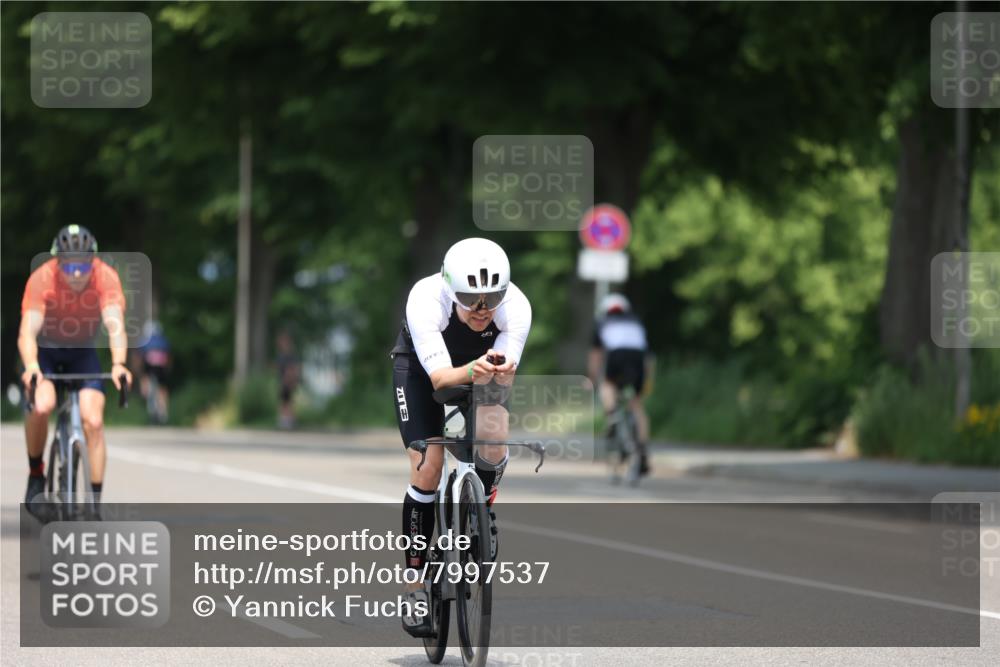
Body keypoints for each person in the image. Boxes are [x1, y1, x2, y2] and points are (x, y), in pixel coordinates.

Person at [390, 237, 531, 637]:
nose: (483, 309)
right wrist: (476, 370)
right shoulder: (425, 298)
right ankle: (415, 586)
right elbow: (439, 379)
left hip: (479, 373)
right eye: (471, 298)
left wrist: (499, 373)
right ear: (451, 290)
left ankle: (481, 513)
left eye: (493, 297)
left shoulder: (517, 306)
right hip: (420, 373)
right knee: (428, 467)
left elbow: (504, 375)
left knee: (494, 437)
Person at [18, 225, 132, 518]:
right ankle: (35, 475)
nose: (77, 273)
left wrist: (119, 363)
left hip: (82, 353)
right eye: (69, 265)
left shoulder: (105, 277)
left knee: (93, 419)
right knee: (42, 405)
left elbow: (115, 325)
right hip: (45, 352)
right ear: (58, 262)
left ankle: (94, 504)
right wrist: (31, 366)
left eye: (83, 264)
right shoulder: (42, 278)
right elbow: (28, 331)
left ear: (92, 261)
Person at [588, 293, 651, 477]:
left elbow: (596, 357)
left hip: (617, 356)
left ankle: (612, 415)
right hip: (637, 360)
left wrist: (592, 379)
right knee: (637, 405)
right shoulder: (636, 323)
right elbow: (646, 356)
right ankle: (643, 451)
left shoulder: (602, 323)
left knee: (607, 386)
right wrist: (645, 382)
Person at [140, 320, 171, 424]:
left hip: (149, 367)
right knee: (162, 388)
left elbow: (139, 357)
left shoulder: (145, 341)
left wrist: (140, 373)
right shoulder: (164, 341)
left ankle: (149, 400)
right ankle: (163, 409)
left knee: (145, 383)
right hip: (162, 368)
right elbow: (169, 357)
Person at [275, 331, 300, 429]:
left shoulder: (289, 355)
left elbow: (293, 368)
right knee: (285, 401)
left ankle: (288, 421)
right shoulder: (282, 355)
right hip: (283, 381)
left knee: (287, 401)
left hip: (287, 381)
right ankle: (286, 420)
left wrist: (291, 379)